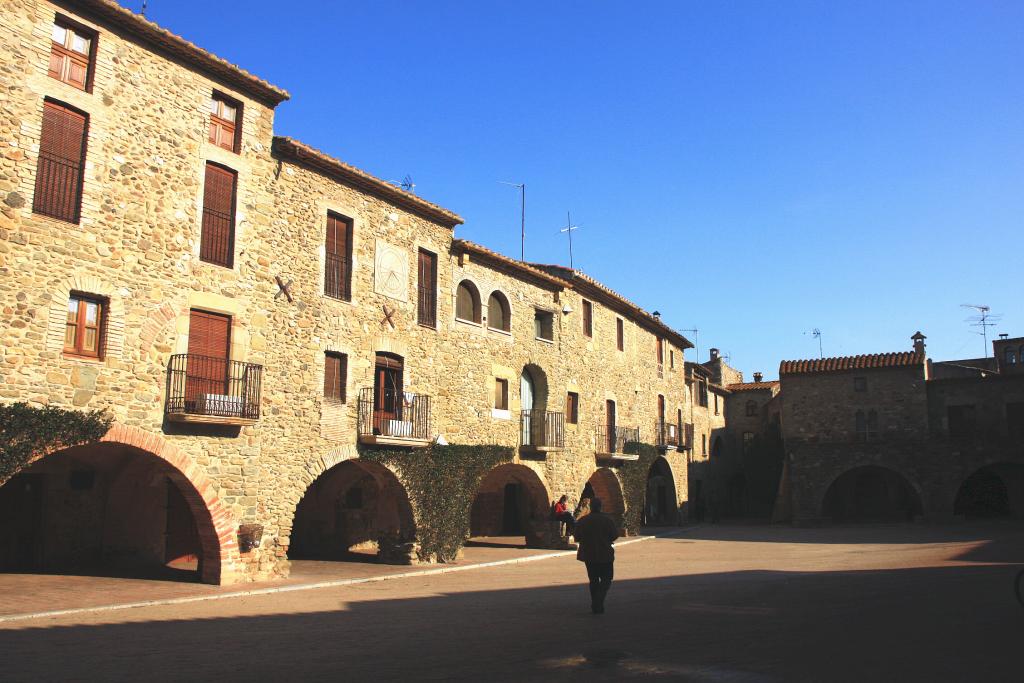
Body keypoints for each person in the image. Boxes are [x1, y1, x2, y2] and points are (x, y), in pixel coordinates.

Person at [573, 496, 619, 614]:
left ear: (591, 507)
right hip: (605, 554)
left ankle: (596, 604)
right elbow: (614, 535)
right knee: (607, 578)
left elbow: (577, 537)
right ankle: (598, 600)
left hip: (589, 554)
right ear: (600, 507)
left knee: (593, 580)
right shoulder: (607, 520)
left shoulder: (582, 521)